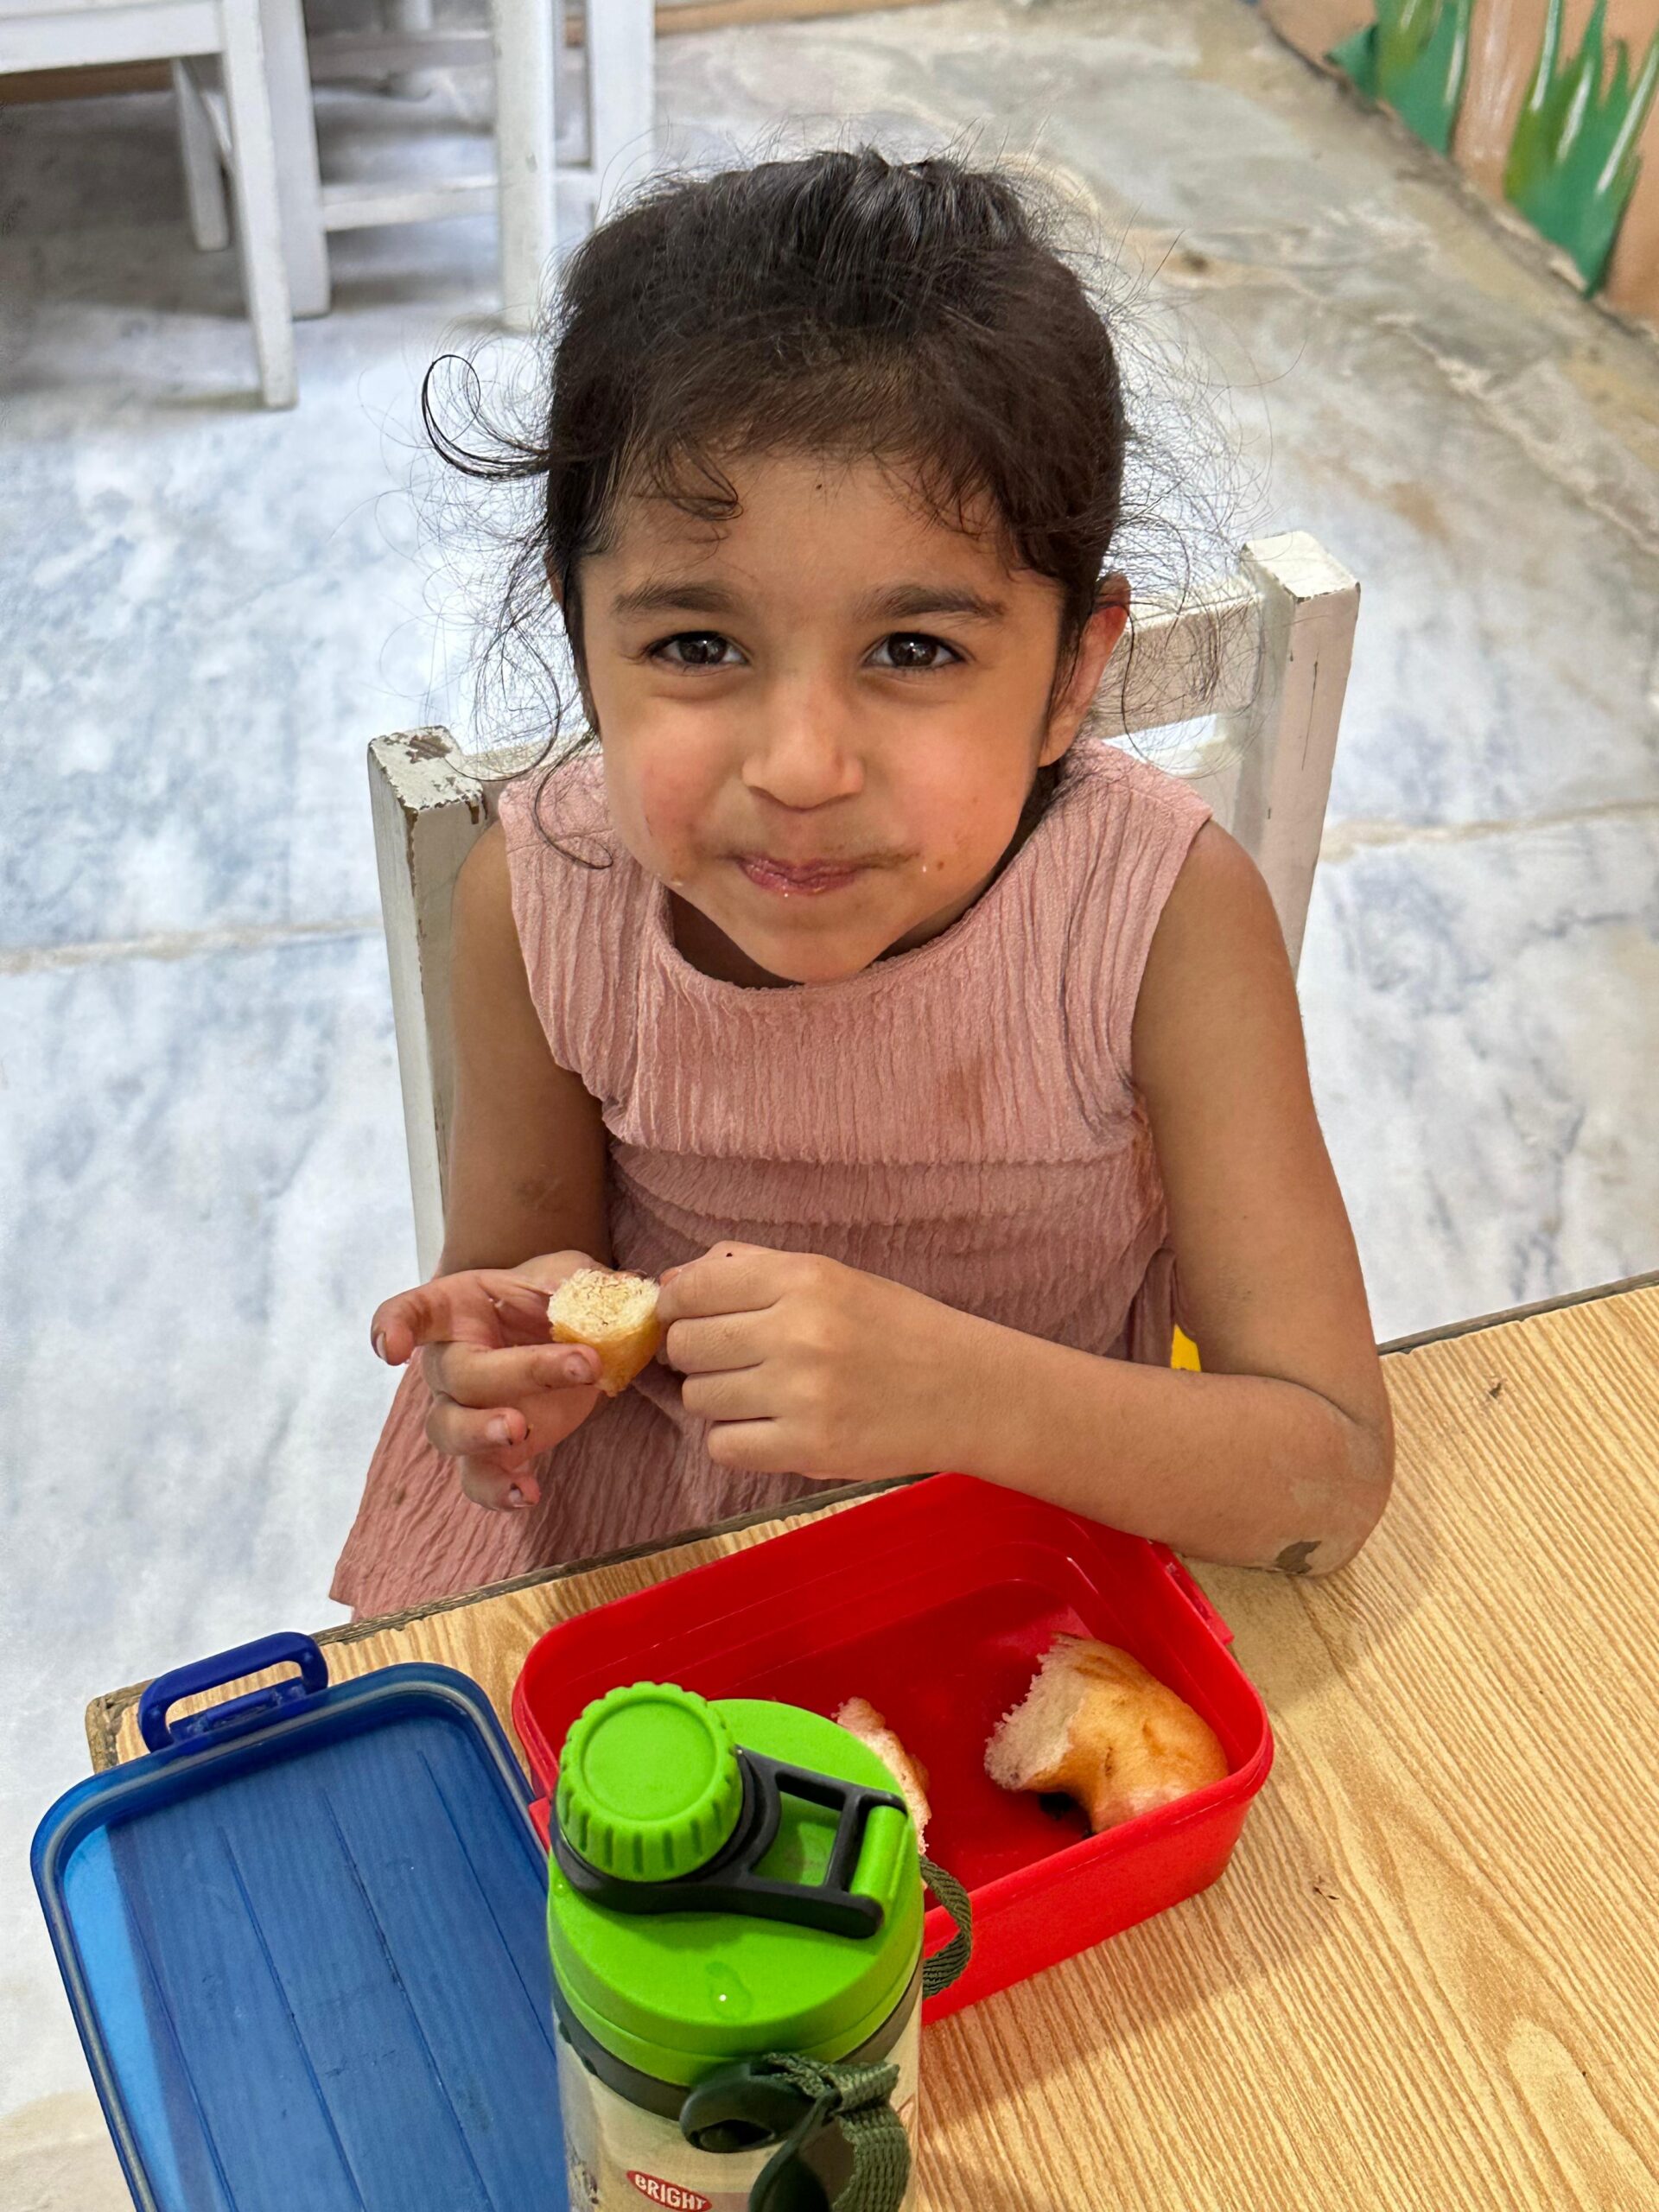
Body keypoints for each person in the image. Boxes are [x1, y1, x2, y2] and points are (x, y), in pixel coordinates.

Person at [333, 149, 1392, 1619]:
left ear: (1071, 674)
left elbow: (1326, 1475)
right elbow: (518, 1276)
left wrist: (953, 1393)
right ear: (583, 636)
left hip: (1017, 1558)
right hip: (645, 1559)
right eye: (696, 646)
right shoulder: (546, 900)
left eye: (914, 650)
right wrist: (513, 1363)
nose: (801, 766)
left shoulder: (1159, 920)